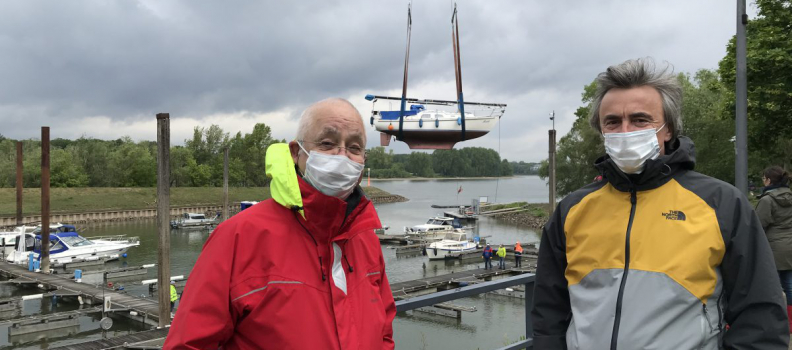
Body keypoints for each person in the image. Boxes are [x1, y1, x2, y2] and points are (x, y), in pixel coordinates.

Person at [531, 58, 789, 349]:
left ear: (668, 130)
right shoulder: (572, 210)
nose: (625, 131)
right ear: (601, 131)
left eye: (640, 120)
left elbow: (760, 318)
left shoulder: (722, 204)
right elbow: (548, 312)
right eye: (612, 122)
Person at [164, 98, 396, 350]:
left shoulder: (365, 237)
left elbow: (384, 331)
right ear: (296, 152)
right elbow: (188, 344)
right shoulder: (238, 237)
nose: (342, 155)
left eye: (354, 147)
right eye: (327, 143)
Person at [756, 166, 792, 332]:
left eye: (764, 178)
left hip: (774, 247)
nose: (763, 181)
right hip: (790, 245)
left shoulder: (767, 200)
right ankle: (790, 322)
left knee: (773, 286)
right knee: (790, 284)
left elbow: (759, 225)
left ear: (769, 180)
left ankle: (776, 321)